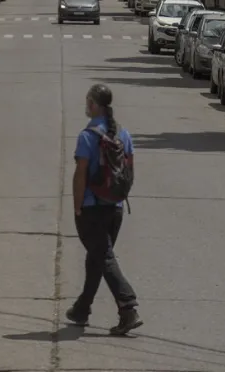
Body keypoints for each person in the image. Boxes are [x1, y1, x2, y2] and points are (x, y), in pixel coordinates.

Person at [66, 84, 142, 336]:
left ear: (94, 105)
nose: (85, 105)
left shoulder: (87, 136)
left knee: (104, 257)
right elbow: (129, 171)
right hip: (116, 207)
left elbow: (80, 174)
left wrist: (78, 206)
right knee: (98, 257)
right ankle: (82, 308)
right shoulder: (124, 134)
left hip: (93, 207)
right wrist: (120, 196)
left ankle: (127, 306)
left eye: (87, 101)